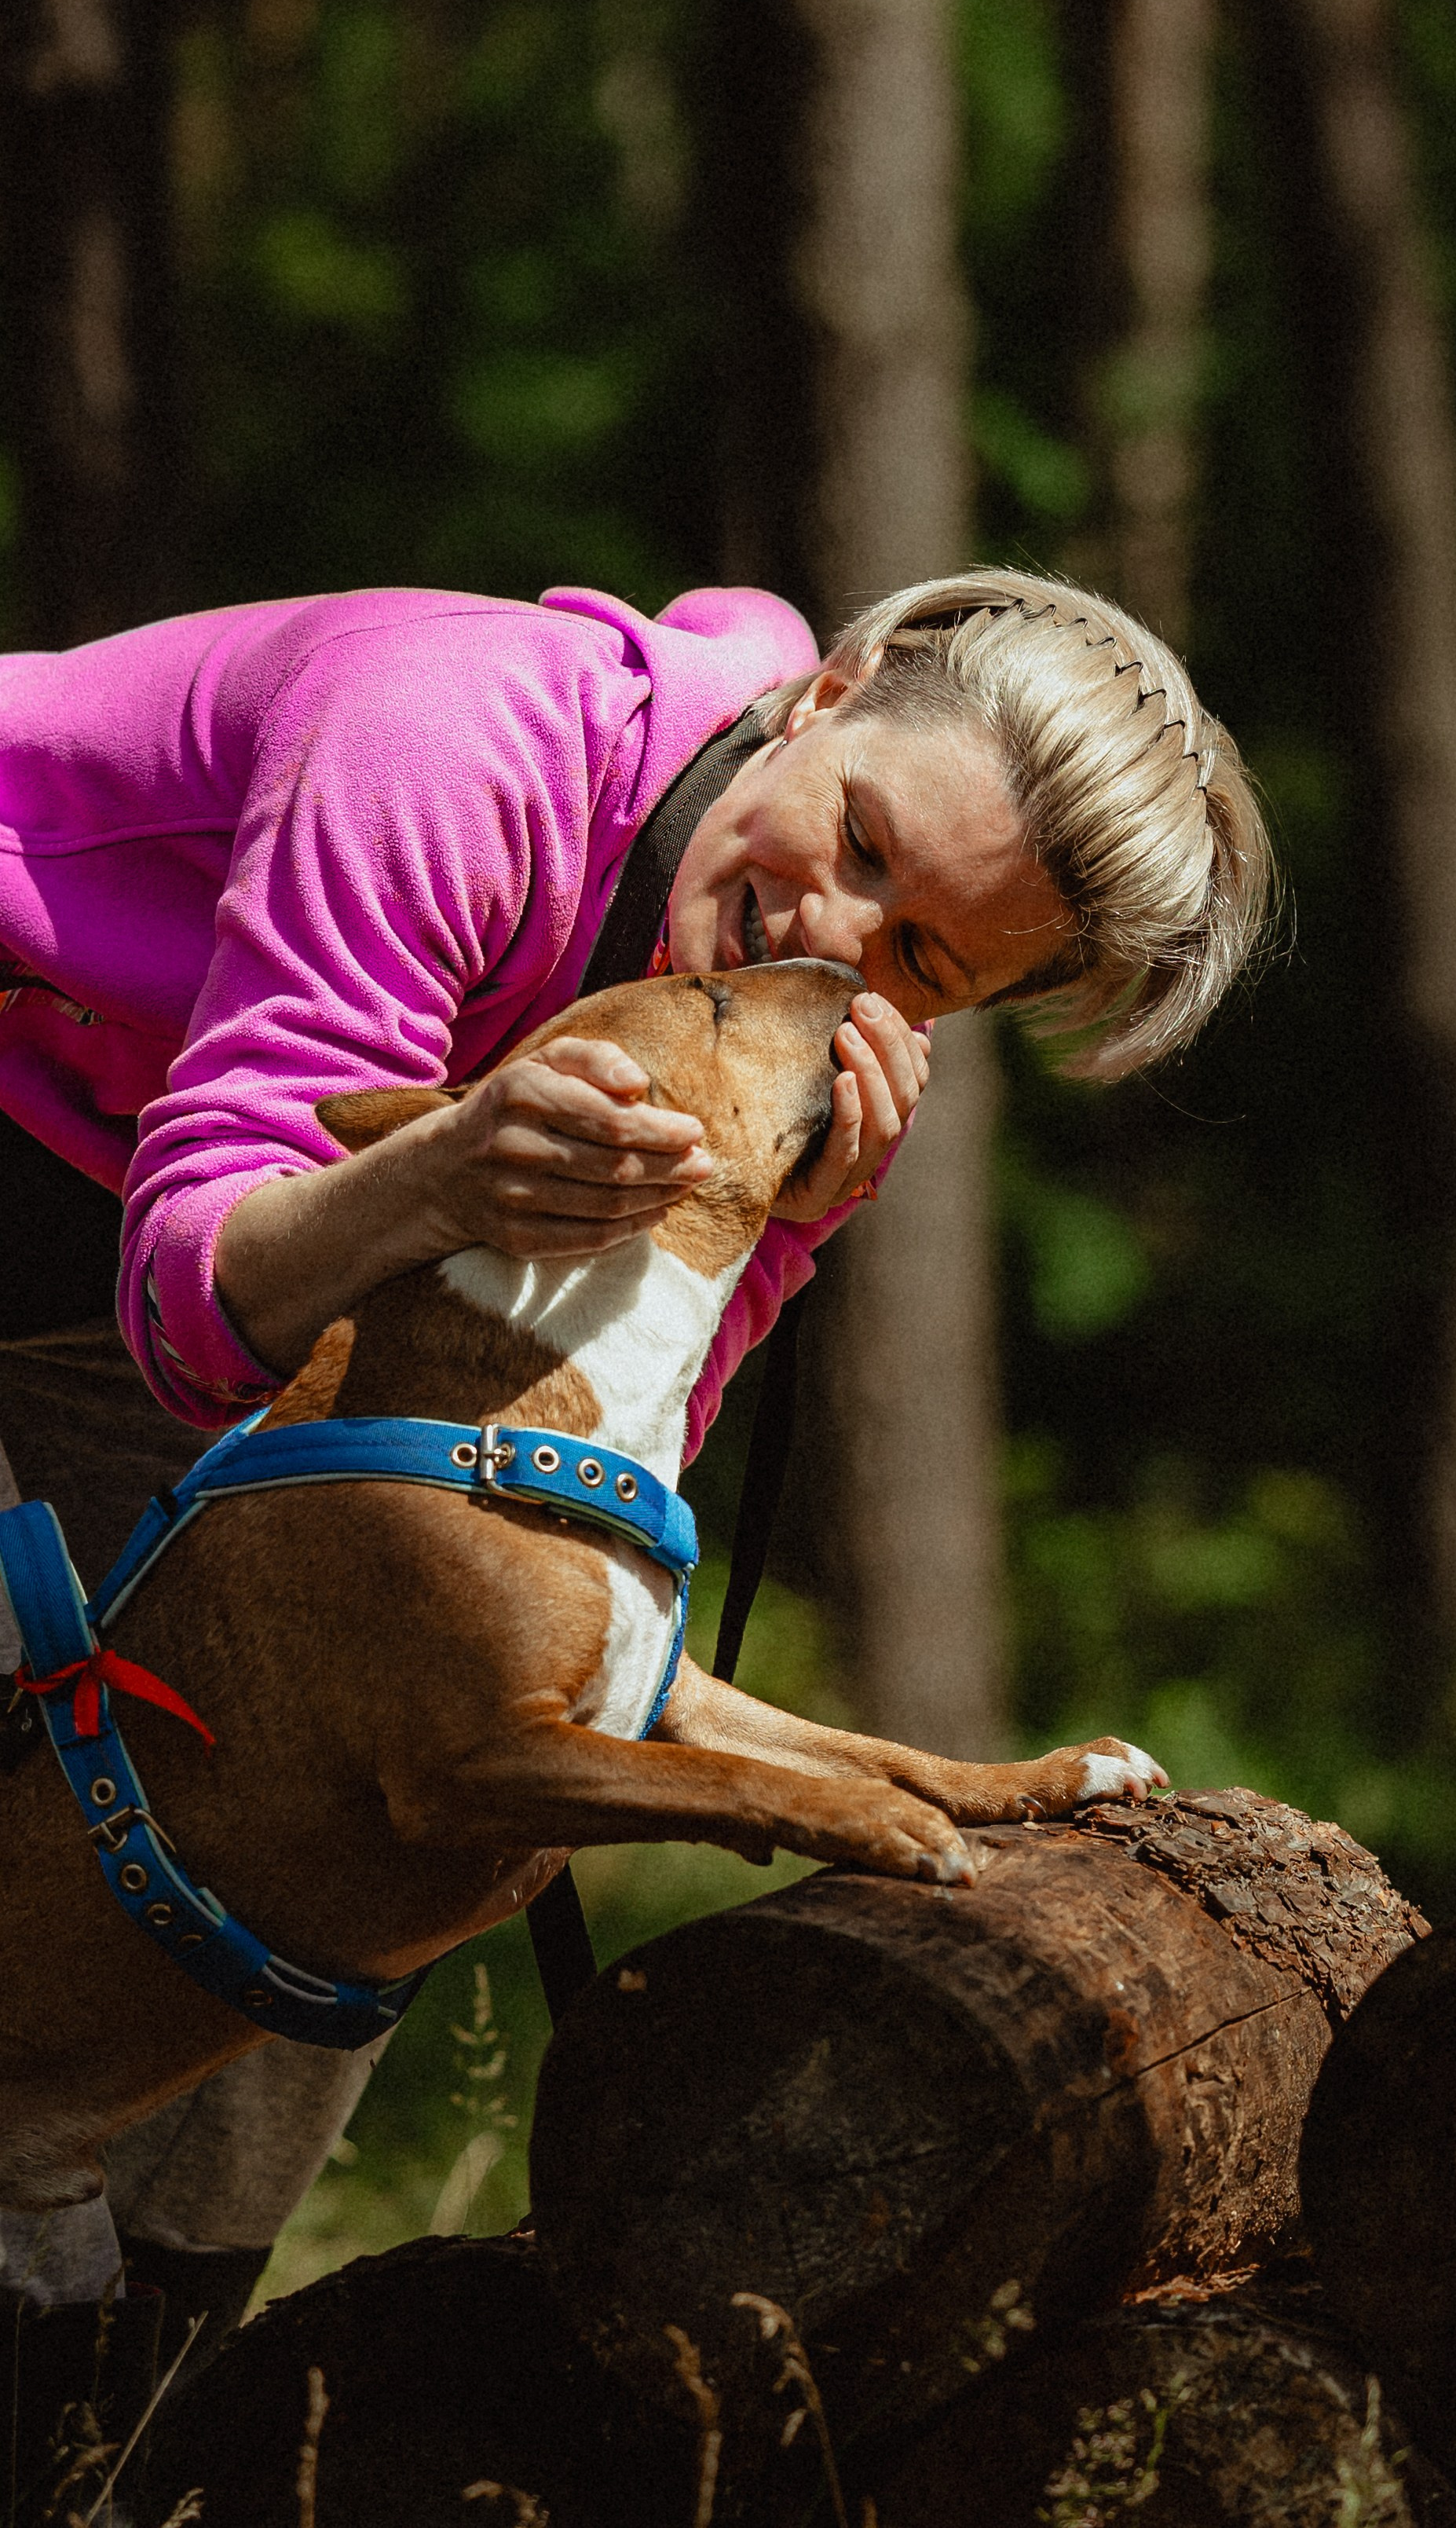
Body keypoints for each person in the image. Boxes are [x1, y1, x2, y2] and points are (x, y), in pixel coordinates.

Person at [0, 564, 1273, 2361]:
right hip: (142, 1196)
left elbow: (559, 1531)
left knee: (342, 1769)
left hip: (145, 1229)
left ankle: (131, 2377)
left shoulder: (814, 1047)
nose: (817, 943)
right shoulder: (450, 735)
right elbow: (195, 1302)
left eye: (918, 958)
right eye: (860, 841)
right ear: (826, 695)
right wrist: (444, 1174)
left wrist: (772, 1209)